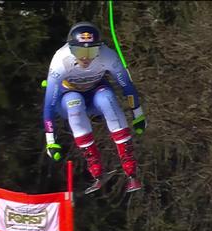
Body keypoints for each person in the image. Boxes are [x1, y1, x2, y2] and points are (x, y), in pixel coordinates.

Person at [42, 21, 147, 194]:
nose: (85, 57)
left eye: (91, 51)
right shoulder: (60, 60)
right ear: (70, 49)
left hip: (96, 94)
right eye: (79, 51)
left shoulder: (108, 55)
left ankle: (130, 169)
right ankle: (96, 168)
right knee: (74, 102)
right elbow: (49, 104)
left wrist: (138, 114)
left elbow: (127, 86)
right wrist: (50, 141)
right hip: (67, 98)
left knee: (107, 98)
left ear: (100, 48)